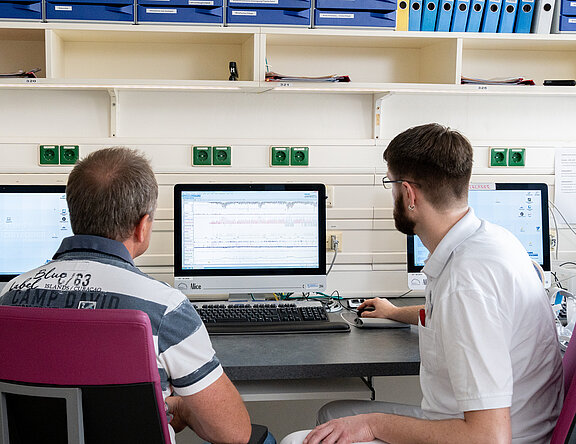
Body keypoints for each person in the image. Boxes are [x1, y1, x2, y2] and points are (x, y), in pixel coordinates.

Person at [286, 123, 563, 444]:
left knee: (299, 439)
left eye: (390, 185)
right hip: (507, 421)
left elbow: (488, 438)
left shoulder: (466, 281)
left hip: (494, 435)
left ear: (408, 193)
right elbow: (465, 320)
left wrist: (375, 425)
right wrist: (394, 312)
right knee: (335, 416)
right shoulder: (493, 240)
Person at [0, 147, 252, 444]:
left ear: (72, 215)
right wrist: (178, 407)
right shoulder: (164, 308)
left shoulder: (10, 294)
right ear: (142, 226)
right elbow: (233, 433)